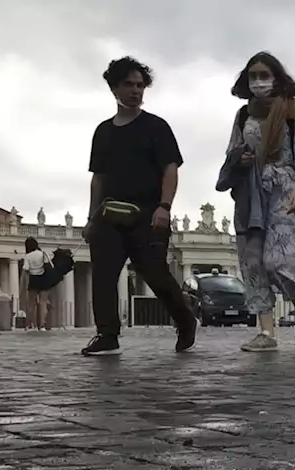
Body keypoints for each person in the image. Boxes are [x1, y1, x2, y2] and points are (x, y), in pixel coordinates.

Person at [82, 56, 197, 356]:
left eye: (140, 85)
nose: (136, 90)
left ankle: (185, 321)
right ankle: (107, 334)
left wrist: (165, 207)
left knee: (155, 273)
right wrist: (91, 217)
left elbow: (171, 169)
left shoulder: (156, 127)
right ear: (114, 88)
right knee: (104, 275)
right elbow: (99, 177)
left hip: (148, 213)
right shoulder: (103, 131)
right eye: (129, 84)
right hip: (109, 214)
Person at [218, 52, 295, 353]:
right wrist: (241, 159)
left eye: (264, 75)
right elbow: (231, 151)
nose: (258, 81)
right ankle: (266, 331)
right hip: (250, 191)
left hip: (284, 187)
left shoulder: (293, 111)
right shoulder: (242, 115)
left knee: (277, 261)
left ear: (276, 77)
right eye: (253, 76)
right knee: (252, 261)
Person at [22, 236, 53, 331]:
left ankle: (29, 324)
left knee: (31, 303)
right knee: (43, 302)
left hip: (33, 279)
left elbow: (26, 269)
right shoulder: (43, 253)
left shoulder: (28, 256)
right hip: (44, 278)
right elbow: (48, 265)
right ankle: (42, 325)